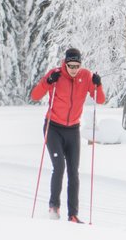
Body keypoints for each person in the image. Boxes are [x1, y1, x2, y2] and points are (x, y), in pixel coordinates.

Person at [30, 47, 107, 222]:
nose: (73, 69)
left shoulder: (86, 76)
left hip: (72, 130)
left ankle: (73, 214)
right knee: (59, 166)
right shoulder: (55, 75)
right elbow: (35, 96)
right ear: (65, 63)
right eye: (70, 65)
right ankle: (54, 206)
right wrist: (48, 81)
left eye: (76, 66)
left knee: (74, 171)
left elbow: (100, 100)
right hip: (53, 128)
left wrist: (98, 84)